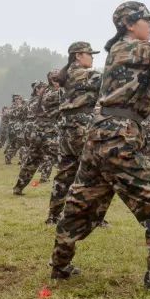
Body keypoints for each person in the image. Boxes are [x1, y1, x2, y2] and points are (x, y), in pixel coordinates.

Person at [50, 1, 150, 292]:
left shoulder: (130, 53)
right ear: (129, 24)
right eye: (145, 21)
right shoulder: (127, 47)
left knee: (80, 208)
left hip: (101, 136)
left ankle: (60, 267)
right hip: (118, 137)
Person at [47, 42, 102, 225]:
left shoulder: (67, 74)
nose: (92, 57)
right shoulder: (83, 74)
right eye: (89, 53)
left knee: (65, 173)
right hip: (81, 127)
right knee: (92, 170)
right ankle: (93, 217)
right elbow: (111, 82)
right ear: (78, 55)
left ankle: (54, 216)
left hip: (67, 127)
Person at [13, 72, 63, 195]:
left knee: (32, 160)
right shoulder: (54, 93)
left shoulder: (45, 92)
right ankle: (66, 191)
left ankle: (18, 188)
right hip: (48, 131)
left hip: (38, 131)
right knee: (63, 158)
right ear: (54, 81)